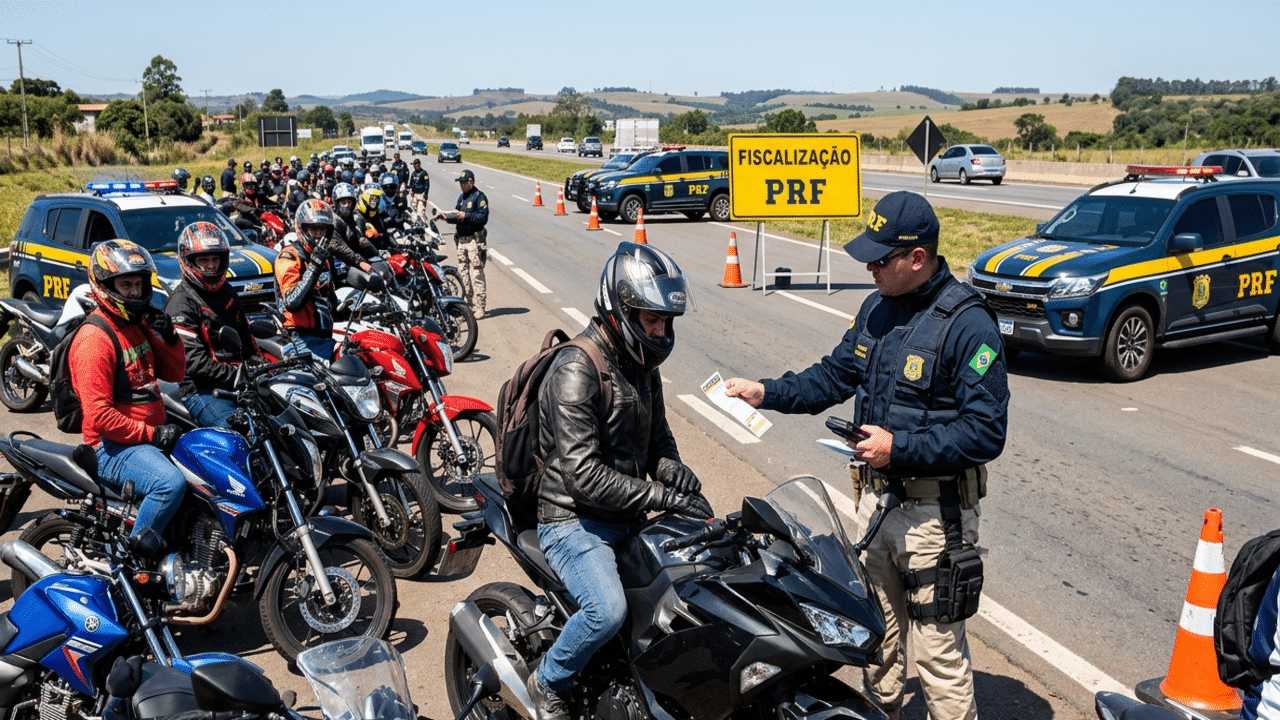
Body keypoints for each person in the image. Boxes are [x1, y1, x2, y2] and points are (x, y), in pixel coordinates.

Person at [723, 191, 1009, 720]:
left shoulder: (969, 324)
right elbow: (832, 376)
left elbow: (987, 432)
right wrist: (767, 391)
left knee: (939, 654)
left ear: (917, 258)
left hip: (934, 518)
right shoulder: (877, 307)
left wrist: (899, 448)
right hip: (877, 507)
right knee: (877, 639)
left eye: (880, 259)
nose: (869, 267)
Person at [525, 242, 711, 720]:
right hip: (572, 520)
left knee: (698, 586)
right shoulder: (577, 370)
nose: (661, 331)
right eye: (652, 320)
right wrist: (658, 494)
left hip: (625, 511)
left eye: (666, 321)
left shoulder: (643, 368)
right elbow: (582, 476)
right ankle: (547, 679)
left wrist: (677, 475)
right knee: (605, 611)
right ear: (621, 309)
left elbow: (659, 444)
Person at [69, 239, 187, 539]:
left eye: (139, 283)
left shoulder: (135, 325)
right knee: (168, 484)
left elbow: (175, 373)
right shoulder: (95, 340)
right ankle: (134, 557)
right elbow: (99, 417)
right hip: (110, 448)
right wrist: (153, 434)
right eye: (126, 285)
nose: (135, 292)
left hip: (145, 439)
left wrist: (170, 337)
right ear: (106, 285)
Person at [165, 222, 254, 428]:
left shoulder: (226, 292)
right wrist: (237, 375)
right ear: (189, 261)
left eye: (215, 259)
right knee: (239, 433)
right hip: (202, 390)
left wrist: (262, 366)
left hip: (237, 381)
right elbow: (193, 361)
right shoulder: (181, 303)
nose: (211, 265)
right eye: (204, 260)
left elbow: (246, 337)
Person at [274, 199, 339, 360]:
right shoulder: (289, 256)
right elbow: (292, 301)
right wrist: (314, 265)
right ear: (302, 228)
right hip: (299, 339)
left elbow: (330, 299)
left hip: (324, 336)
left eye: (322, 229)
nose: (318, 234)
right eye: (313, 229)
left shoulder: (323, 257)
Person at [438, 169, 489, 318]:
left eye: (463, 183)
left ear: (471, 182)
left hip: (474, 241)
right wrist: (446, 217)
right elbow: (457, 216)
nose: (461, 185)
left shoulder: (479, 197)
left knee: (476, 274)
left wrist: (466, 215)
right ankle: (468, 305)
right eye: (460, 183)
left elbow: (482, 218)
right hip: (461, 240)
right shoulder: (462, 197)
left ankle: (480, 306)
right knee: (463, 274)